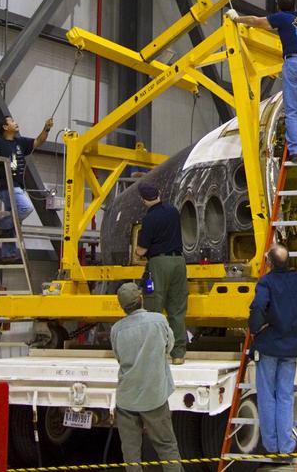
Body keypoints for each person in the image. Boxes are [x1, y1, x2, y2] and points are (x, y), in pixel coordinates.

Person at [227, 0, 297, 164]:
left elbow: (256, 21)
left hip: (294, 63)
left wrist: (237, 19)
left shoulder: (282, 18)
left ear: (278, 5)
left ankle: (295, 152)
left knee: (291, 109)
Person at [249, 245, 297, 461]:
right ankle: (287, 447)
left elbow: (259, 306)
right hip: (292, 346)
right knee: (285, 395)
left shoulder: (266, 282)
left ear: (268, 262)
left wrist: (254, 328)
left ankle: (271, 445)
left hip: (269, 346)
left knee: (267, 396)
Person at [111, 282, 183, 472]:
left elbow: (119, 357)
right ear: (141, 299)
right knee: (167, 447)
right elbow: (169, 346)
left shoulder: (116, 329)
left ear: (122, 306)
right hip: (154, 397)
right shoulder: (159, 320)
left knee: (130, 454)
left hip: (126, 398)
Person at [0, 114, 52, 260]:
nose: (16, 122)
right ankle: (0, 227)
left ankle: (8, 254)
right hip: (5, 186)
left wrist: (46, 129)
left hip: (17, 186)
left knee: (14, 219)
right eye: (12, 121)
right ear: (5, 127)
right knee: (25, 208)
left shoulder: (20, 142)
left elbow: (38, 141)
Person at [135, 182, 188, 364]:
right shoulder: (173, 211)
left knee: (154, 308)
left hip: (159, 264)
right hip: (179, 262)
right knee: (177, 308)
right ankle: (178, 354)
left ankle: (156, 353)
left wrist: (137, 251)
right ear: (159, 193)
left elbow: (141, 251)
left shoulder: (149, 219)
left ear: (143, 200)